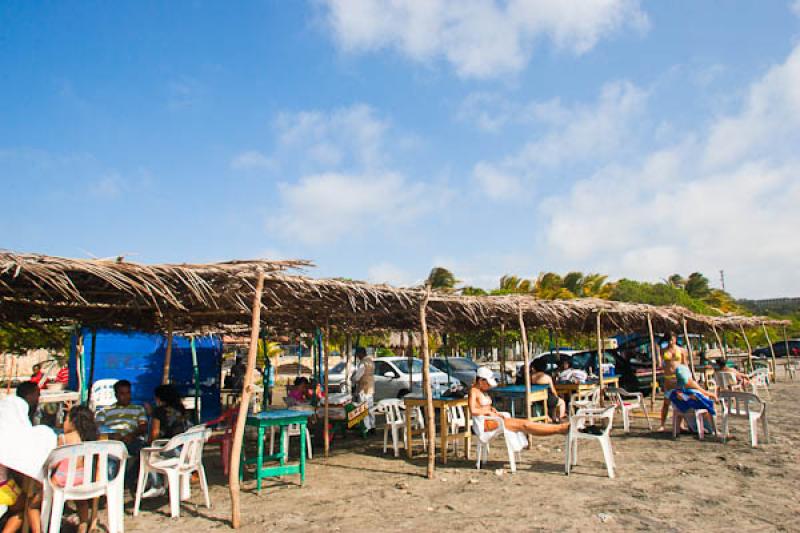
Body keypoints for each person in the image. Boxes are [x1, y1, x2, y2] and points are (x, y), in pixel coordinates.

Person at [469, 367, 568, 436]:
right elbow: (473, 410)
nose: (489, 386)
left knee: (525, 424)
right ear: (481, 381)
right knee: (524, 425)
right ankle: (559, 429)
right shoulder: (473, 391)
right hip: (486, 424)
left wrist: (492, 410)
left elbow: (483, 407)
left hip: (494, 420)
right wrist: (488, 412)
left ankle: (560, 428)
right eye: (488, 384)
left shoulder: (483, 391)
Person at [94, 380, 148, 492]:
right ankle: (109, 489)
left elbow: (143, 427)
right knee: (109, 458)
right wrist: (112, 435)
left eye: (128, 393)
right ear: (116, 395)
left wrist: (132, 435)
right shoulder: (105, 411)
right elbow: (98, 428)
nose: (126, 396)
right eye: (122, 393)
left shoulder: (138, 409)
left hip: (132, 439)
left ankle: (133, 483)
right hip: (113, 441)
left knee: (145, 452)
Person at [52, 405, 98, 533]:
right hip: (84, 478)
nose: (64, 423)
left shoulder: (63, 439)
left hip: (63, 480)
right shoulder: (91, 438)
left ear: (73, 422)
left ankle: (52, 521)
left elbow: (54, 462)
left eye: (66, 420)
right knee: (81, 500)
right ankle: (83, 525)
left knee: (43, 492)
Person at [667, 364, 718, 433]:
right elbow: (703, 392)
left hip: (682, 409)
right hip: (695, 408)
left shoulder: (675, 386)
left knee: (681, 408)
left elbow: (667, 400)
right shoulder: (691, 383)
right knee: (708, 407)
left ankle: (677, 430)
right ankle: (711, 428)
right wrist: (714, 396)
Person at [658, 332, 688, 431]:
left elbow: (685, 364)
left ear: (675, 339)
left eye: (672, 339)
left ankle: (681, 424)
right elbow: (660, 362)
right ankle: (662, 424)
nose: (671, 342)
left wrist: (688, 376)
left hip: (678, 378)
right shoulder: (663, 350)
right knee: (666, 402)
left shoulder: (681, 350)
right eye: (669, 340)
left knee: (681, 400)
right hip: (668, 378)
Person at [530, 358, 566, 423]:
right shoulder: (547, 377)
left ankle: (553, 418)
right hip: (548, 398)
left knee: (554, 403)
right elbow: (553, 390)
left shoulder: (531, 377)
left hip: (537, 399)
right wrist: (556, 396)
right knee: (562, 402)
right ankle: (560, 418)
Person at [351, 347, 375, 431]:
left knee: (364, 408)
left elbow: (357, 376)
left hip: (364, 388)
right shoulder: (370, 361)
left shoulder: (363, 363)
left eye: (358, 355)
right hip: (370, 387)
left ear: (361, 354)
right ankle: (372, 427)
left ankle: (366, 428)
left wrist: (352, 379)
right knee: (370, 408)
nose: (357, 357)